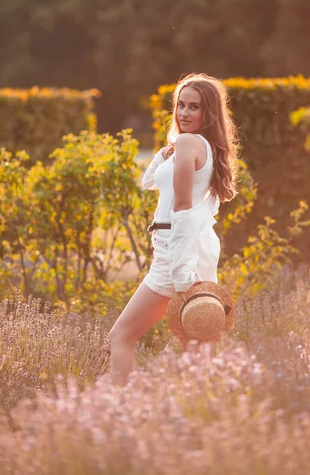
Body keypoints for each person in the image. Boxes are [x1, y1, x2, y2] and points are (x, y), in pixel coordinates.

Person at [107, 73, 240, 386]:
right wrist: (163, 154)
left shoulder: (188, 143)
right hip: (196, 250)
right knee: (196, 345)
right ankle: (207, 410)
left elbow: (181, 208)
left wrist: (181, 274)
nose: (183, 113)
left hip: (175, 255)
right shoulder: (203, 147)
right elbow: (149, 181)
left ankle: (119, 406)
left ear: (209, 113)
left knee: (121, 337)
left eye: (194, 107)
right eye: (180, 105)